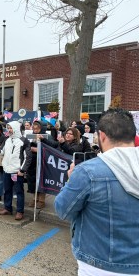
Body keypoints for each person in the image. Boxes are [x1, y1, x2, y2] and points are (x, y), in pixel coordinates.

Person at [55, 108, 139, 275]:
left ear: (102, 136)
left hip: (99, 264)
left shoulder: (87, 172)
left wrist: (71, 179)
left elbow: (63, 209)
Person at [0, 121, 30, 220]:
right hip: (7, 170)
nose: (9, 130)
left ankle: (20, 211)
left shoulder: (24, 141)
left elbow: (28, 157)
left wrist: (22, 170)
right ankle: (7, 208)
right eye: (8, 128)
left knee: (19, 192)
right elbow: (2, 151)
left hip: (17, 171)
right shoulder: (7, 140)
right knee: (7, 190)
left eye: (11, 128)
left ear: (15, 128)